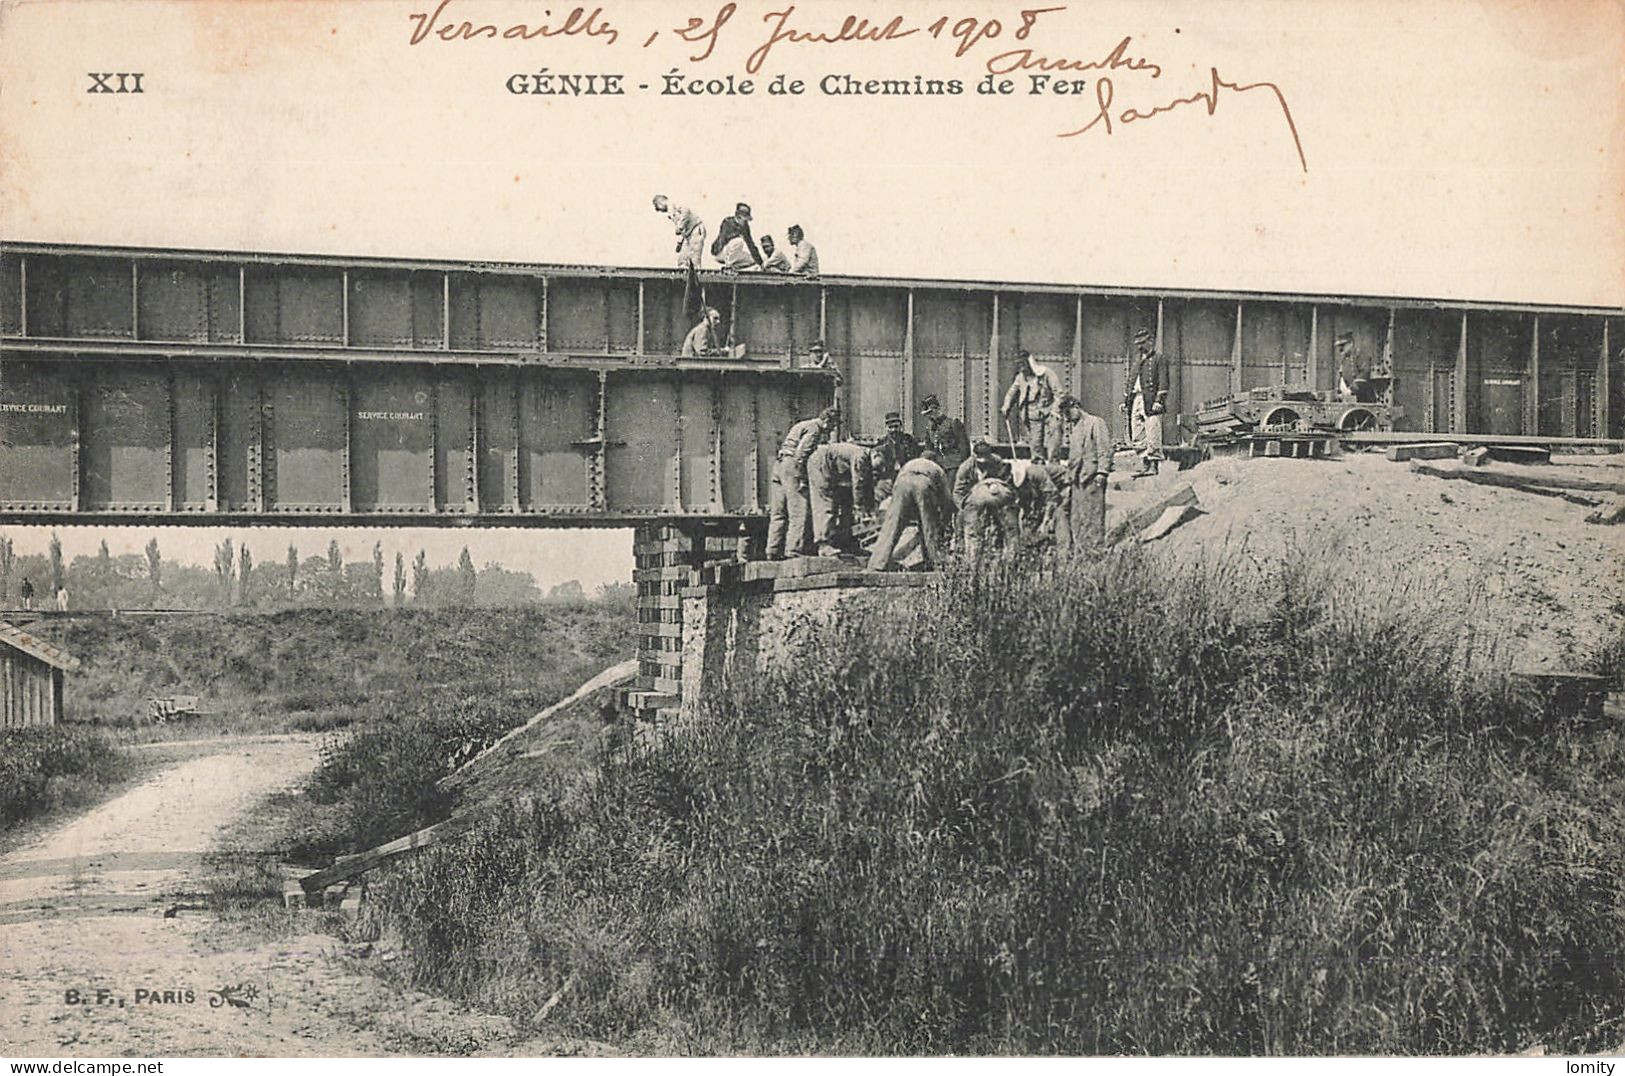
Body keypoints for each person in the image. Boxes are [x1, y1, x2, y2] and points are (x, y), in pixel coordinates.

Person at [766, 406, 839, 559]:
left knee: (778, 513)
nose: (831, 430)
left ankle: (772, 550)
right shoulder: (815, 429)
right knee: (798, 512)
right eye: (832, 426)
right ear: (826, 421)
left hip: (779, 465)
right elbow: (801, 453)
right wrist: (801, 479)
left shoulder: (803, 424)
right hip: (792, 465)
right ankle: (793, 550)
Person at [868, 449, 955, 572]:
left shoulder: (909, 464)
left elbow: (897, 489)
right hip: (923, 484)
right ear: (934, 460)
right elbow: (946, 500)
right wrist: (945, 520)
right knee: (930, 526)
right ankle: (937, 563)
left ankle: (877, 563)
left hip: (902, 483)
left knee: (892, 525)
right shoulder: (937, 469)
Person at [1054, 394, 1114, 555]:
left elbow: (1104, 449)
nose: (1066, 419)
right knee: (1078, 516)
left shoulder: (1096, 423)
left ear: (1076, 407)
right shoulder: (1074, 427)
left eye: (1068, 413)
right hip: (1077, 478)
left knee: (1094, 514)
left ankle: (1096, 549)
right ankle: (1082, 548)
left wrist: (1102, 472)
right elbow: (1074, 456)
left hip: (1093, 476)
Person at [807, 440, 875, 556]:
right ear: (876, 455)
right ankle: (823, 545)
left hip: (836, 470)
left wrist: (869, 508)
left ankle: (847, 543)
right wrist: (859, 507)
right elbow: (858, 483)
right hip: (821, 462)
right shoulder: (861, 456)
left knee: (847, 501)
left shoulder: (868, 462)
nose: (878, 471)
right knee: (826, 503)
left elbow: (866, 487)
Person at [1000, 349, 1064, 460]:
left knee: (1055, 435)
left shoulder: (1046, 373)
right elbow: (1011, 393)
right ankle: (1037, 463)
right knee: (1035, 442)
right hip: (1032, 412)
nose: (1021, 367)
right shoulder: (1020, 377)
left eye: (1022, 363)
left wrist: (1055, 410)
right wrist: (1006, 405)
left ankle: (1054, 462)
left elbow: (1059, 393)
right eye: (1018, 364)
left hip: (1050, 410)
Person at [1122, 328, 1168, 477]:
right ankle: (1145, 464)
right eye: (1138, 344)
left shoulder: (1159, 358)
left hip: (1150, 400)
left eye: (1143, 343)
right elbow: (1131, 381)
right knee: (1138, 433)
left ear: (1151, 341)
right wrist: (1126, 401)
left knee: (1152, 431)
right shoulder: (1137, 360)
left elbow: (1163, 382)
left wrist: (1159, 401)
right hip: (1136, 399)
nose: (1140, 346)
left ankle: (1154, 465)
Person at [960, 452, 1022, 558]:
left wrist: (964, 511)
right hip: (1002, 492)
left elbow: (958, 491)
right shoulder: (999, 466)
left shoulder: (968, 467)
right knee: (1011, 531)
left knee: (973, 534)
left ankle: (973, 563)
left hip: (977, 494)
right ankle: (1013, 559)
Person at [1008, 457, 1060, 548]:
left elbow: (1053, 497)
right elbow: (1025, 505)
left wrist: (1045, 521)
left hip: (1063, 484)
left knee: (1059, 519)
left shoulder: (1037, 473)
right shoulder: (1019, 483)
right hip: (1046, 490)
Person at [919, 394, 971, 478]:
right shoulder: (929, 428)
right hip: (938, 465)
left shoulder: (953, 423)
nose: (929, 416)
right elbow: (929, 448)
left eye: (930, 413)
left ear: (937, 409)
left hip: (954, 464)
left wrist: (964, 467)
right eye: (927, 414)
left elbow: (964, 446)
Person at [652, 195, 706, 271]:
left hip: (695, 231)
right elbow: (682, 229)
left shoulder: (673, 204)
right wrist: (680, 242)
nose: (659, 210)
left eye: (657, 207)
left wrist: (680, 226)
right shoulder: (670, 211)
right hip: (687, 235)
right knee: (683, 260)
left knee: (694, 259)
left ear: (660, 203)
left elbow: (686, 211)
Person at [711, 202, 763, 271]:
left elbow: (750, 244)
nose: (745, 222)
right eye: (744, 219)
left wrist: (760, 263)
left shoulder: (745, 226)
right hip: (720, 252)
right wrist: (738, 234)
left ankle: (734, 267)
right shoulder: (728, 222)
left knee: (752, 261)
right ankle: (728, 267)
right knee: (738, 241)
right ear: (738, 217)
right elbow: (722, 239)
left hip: (732, 254)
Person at [1335, 332, 1376, 403]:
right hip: (1350, 399)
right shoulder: (1344, 359)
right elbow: (1341, 375)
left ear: (1351, 343)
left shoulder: (1360, 355)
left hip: (1364, 398)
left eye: (1343, 345)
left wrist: (1352, 389)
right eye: (1339, 346)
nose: (1340, 348)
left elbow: (1364, 373)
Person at [876, 411, 921, 475]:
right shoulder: (881, 443)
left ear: (901, 426)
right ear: (886, 428)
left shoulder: (909, 440)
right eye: (890, 427)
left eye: (896, 426)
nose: (893, 430)